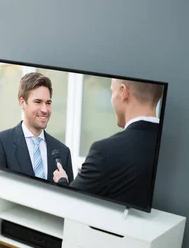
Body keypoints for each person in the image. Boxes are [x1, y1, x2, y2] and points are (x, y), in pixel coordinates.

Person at [53, 78, 163, 208]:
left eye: (112, 91)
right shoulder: (169, 145)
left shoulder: (105, 152)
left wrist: (61, 181)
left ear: (123, 92)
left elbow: (70, 204)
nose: (111, 99)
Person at [0, 72, 74, 183]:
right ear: (23, 103)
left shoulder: (63, 152)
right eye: (38, 102)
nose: (45, 109)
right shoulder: (2, 142)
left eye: (48, 103)